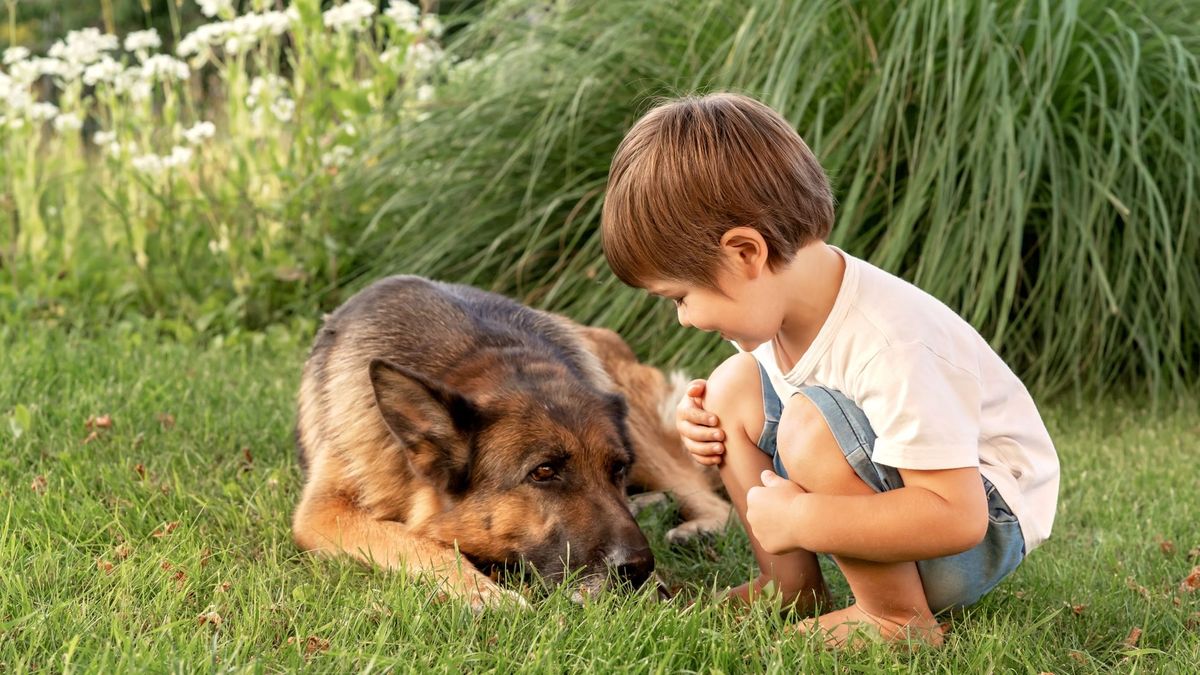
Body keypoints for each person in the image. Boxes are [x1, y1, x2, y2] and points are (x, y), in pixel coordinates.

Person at [599, 92, 1059, 647]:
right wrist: (709, 429)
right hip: (919, 510)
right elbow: (761, 404)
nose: (685, 319)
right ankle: (790, 586)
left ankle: (896, 618)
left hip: (978, 528)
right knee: (729, 390)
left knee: (811, 426)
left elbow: (957, 518)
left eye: (680, 297)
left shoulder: (892, 343)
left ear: (745, 253)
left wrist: (805, 521)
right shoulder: (789, 307)